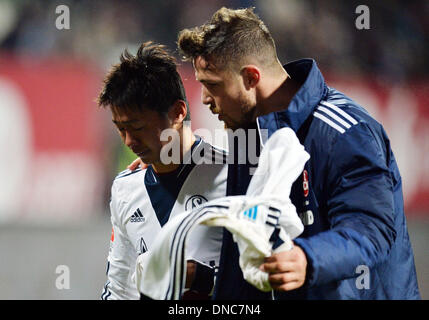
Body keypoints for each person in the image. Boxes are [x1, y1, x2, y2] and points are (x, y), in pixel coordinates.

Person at [174, 7, 421, 299]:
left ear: (251, 78)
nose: (204, 100)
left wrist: (307, 259)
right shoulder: (249, 134)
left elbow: (371, 228)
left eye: (212, 85)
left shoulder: (345, 132)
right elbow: (246, 250)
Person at [97, 42, 228, 300]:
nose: (128, 141)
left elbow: (267, 277)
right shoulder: (125, 189)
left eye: (137, 127)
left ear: (178, 113)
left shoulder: (232, 177)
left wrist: (201, 278)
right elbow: (119, 290)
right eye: (120, 129)